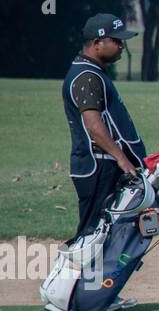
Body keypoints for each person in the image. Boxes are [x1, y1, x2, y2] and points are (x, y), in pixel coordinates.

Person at [63, 14, 147, 244]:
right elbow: (93, 126)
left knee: (103, 236)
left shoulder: (94, 72)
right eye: (116, 40)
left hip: (103, 164)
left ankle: (94, 279)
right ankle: (78, 280)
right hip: (97, 166)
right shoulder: (87, 76)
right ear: (97, 42)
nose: (121, 46)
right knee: (91, 238)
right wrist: (121, 159)